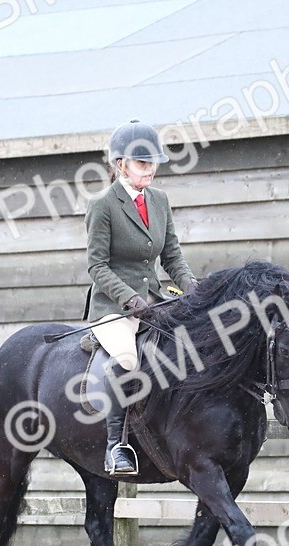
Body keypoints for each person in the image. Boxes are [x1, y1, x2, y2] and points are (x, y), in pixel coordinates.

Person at [85, 119, 198, 475]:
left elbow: (173, 256)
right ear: (121, 165)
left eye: (152, 163)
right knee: (127, 360)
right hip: (114, 306)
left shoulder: (160, 200)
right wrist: (130, 299)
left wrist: (195, 290)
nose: (149, 170)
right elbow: (97, 267)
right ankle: (115, 447)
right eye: (141, 163)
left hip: (155, 300)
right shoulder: (103, 205)